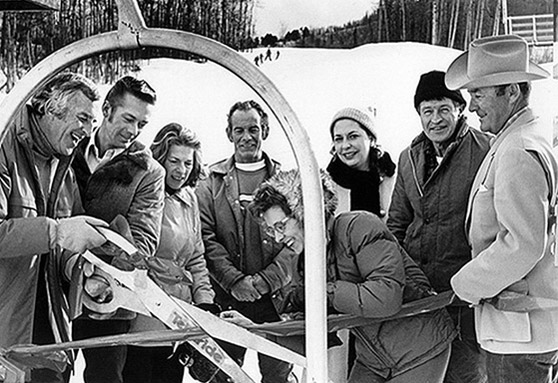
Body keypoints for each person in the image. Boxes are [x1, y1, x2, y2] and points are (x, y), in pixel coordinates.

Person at [250, 169, 456, 383]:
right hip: (373, 357)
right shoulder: (305, 261)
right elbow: (317, 336)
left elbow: (386, 297)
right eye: (271, 230)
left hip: (419, 348)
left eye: (281, 226)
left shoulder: (359, 226)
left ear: (305, 211)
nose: (277, 237)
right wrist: (256, 330)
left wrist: (324, 291)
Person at [445, 34, 558, 382]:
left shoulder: (517, 150)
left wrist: (464, 284)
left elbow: (522, 245)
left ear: (511, 92)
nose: (472, 105)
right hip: (524, 329)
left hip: (519, 335)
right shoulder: (521, 138)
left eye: (478, 93)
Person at [0, 72, 108, 383]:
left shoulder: (65, 169)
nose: (88, 131)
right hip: (7, 331)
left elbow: (63, 248)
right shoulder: (3, 146)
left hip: (52, 330)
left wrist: (81, 271)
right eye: (83, 117)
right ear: (50, 107)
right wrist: (57, 231)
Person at [387, 70, 491, 383]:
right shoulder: (409, 157)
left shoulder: (486, 149)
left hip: (464, 293)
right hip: (420, 293)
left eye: (444, 109)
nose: (436, 119)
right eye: (427, 111)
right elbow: (397, 222)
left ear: (459, 109)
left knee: (466, 374)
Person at [71, 76, 165, 383]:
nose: (134, 131)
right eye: (128, 119)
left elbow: (143, 242)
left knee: (105, 377)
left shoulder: (147, 172)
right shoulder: (67, 147)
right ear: (108, 109)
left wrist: (98, 274)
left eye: (141, 124)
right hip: (54, 292)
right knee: (46, 372)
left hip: (108, 300)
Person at [196, 100, 295, 383]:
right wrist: (234, 282)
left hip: (275, 300)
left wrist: (264, 281)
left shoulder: (286, 181)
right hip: (227, 298)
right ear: (229, 133)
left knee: (277, 375)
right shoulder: (211, 181)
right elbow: (206, 237)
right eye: (239, 130)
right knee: (223, 375)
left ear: (265, 129)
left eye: (253, 129)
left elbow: (295, 242)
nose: (247, 137)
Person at [121, 122, 219, 383]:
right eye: (174, 161)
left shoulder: (190, 198)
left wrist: (204, 300)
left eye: (188, 163)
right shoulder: (144, 192)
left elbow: (196, 257)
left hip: (179, 318)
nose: (181, 170)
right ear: (160, 157)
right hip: (145, 314)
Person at [327, 106, 396, 218]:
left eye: (353, 136)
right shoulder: (327, 188)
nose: (345, 145)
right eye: (339, 139)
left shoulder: (395, 180)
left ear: (371, 139)